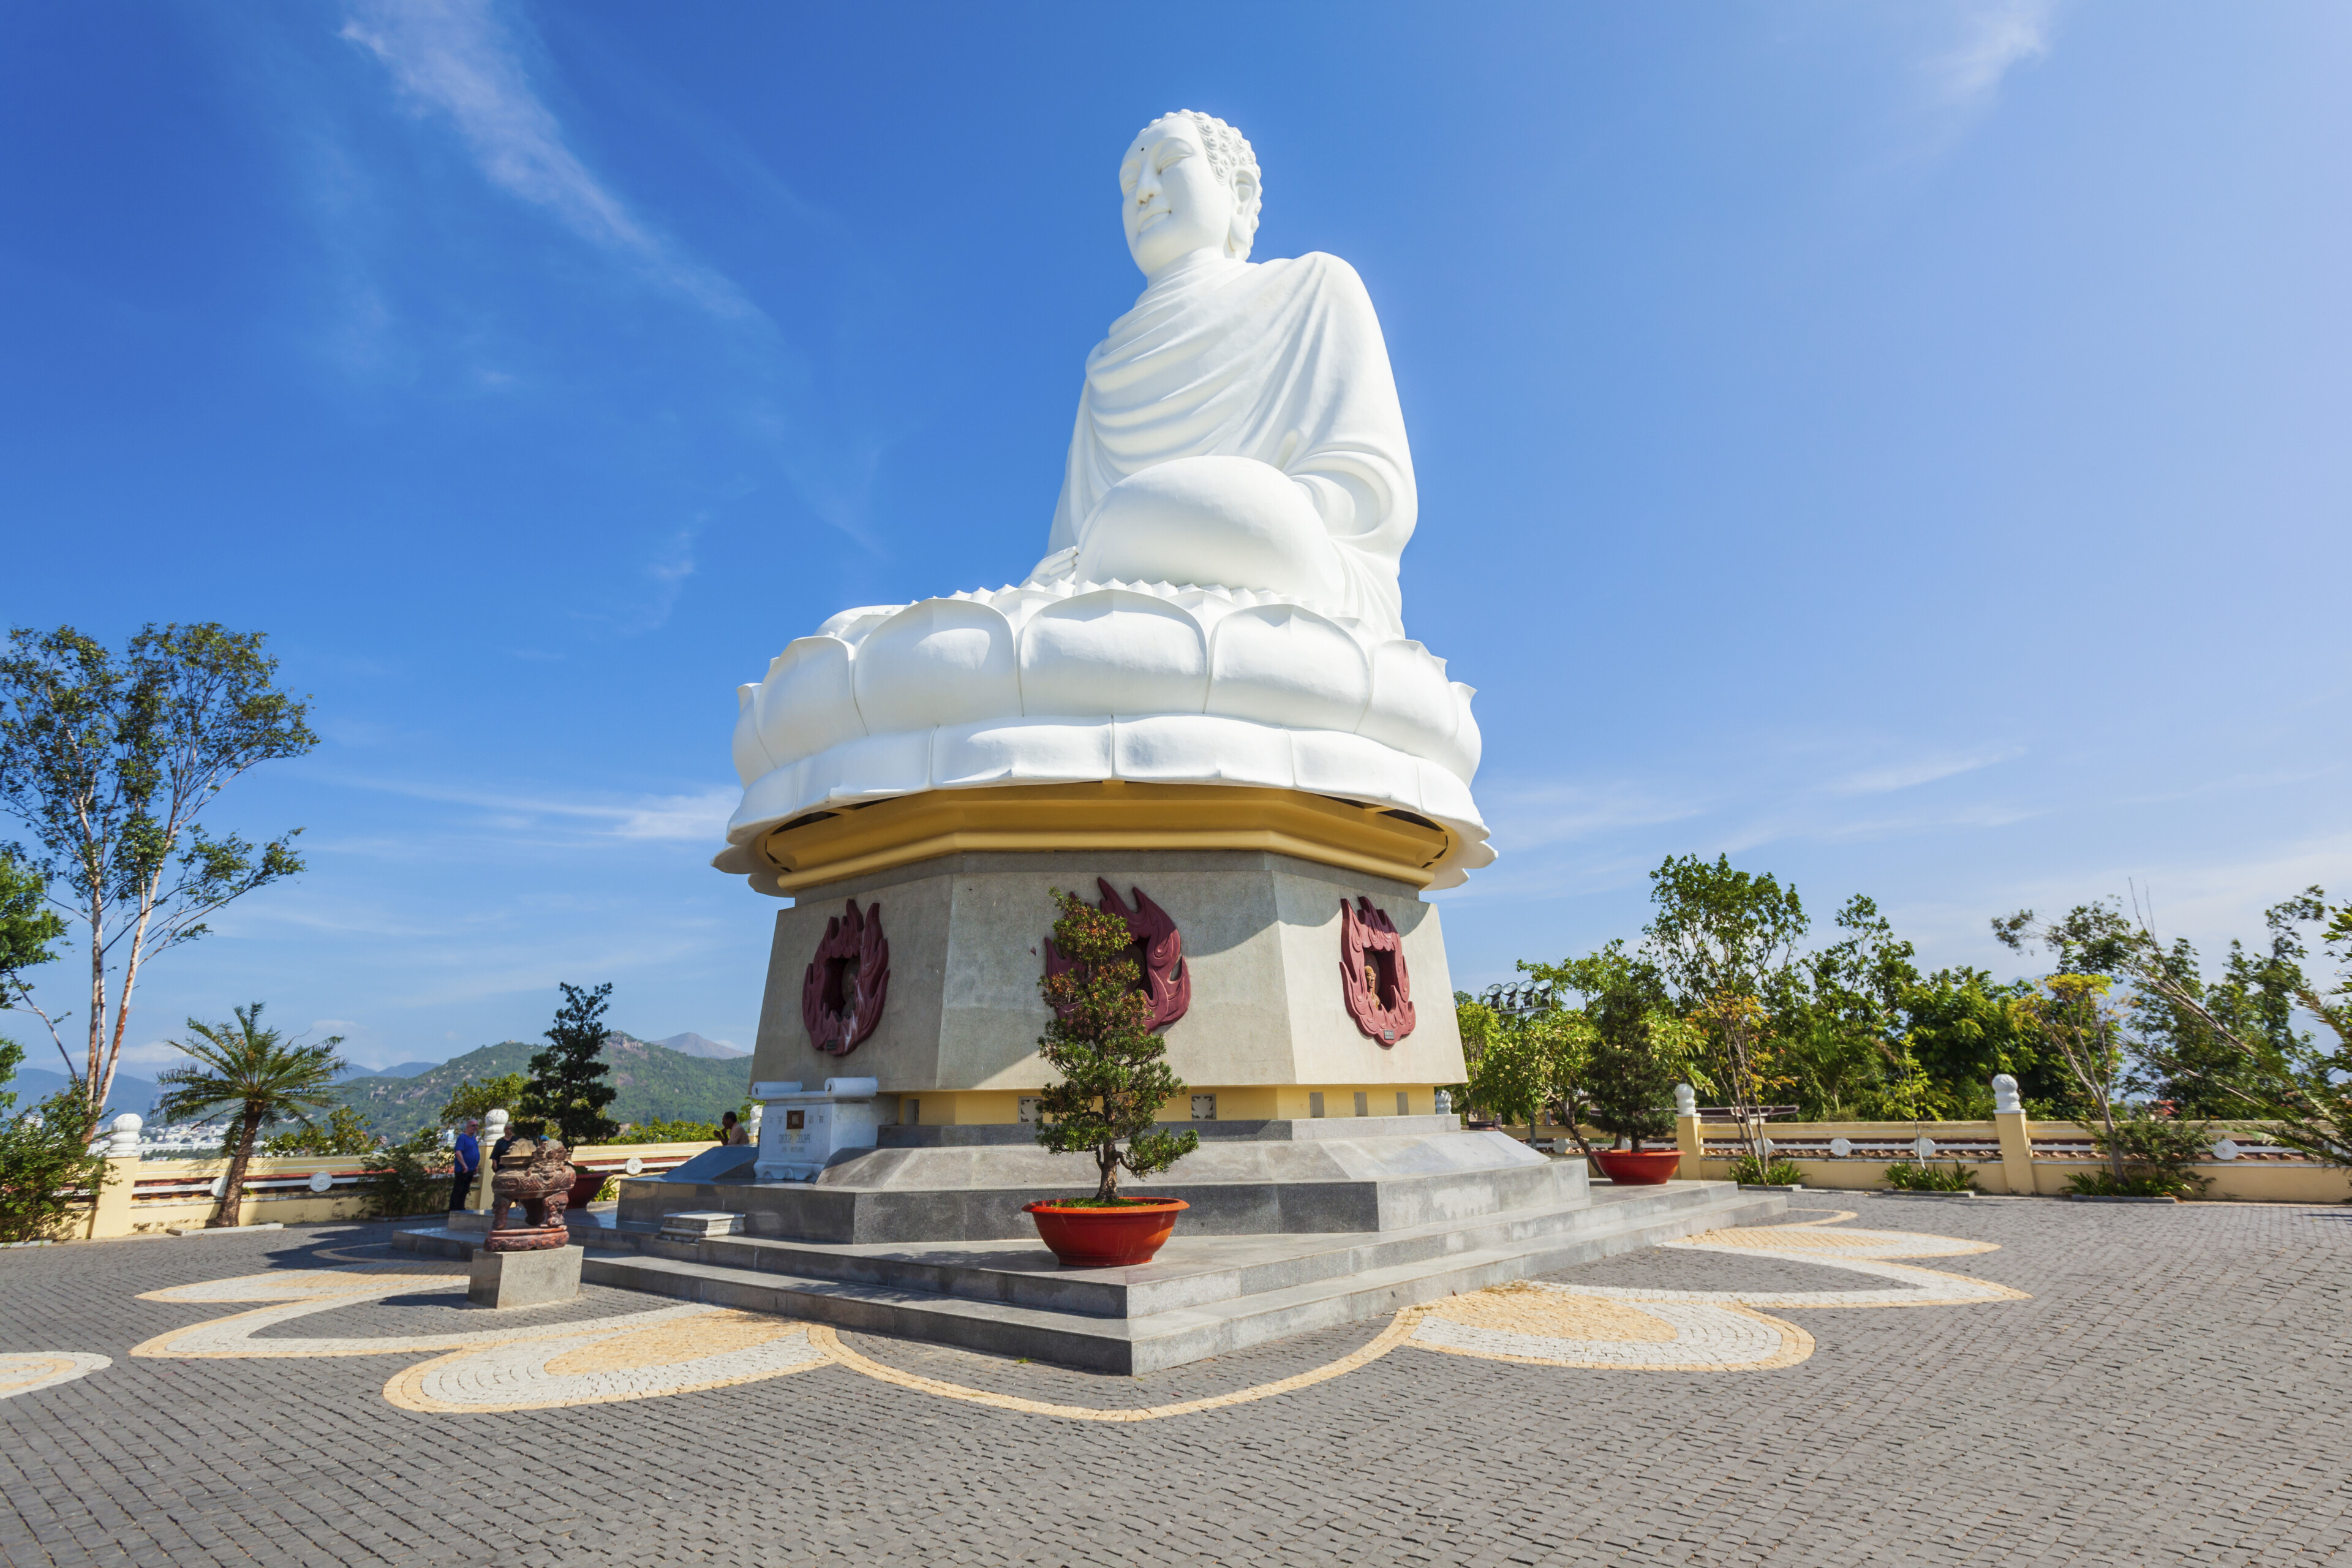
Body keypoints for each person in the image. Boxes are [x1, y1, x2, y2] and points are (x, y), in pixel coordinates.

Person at [448, 1118, 480, 1212]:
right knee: (458, 1189)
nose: (475, 1127)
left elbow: (474, 1152)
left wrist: (475, 1166)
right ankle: (454, 1209)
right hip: (463, 1169)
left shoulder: (473, 1139)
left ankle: (461, 1207)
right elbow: (458, 1153)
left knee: (465, 1189)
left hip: (471, 1169)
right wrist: (464, 1165)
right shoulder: (462, 1138)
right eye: (473, 1125)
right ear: (468, 1127)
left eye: (477, 1125)